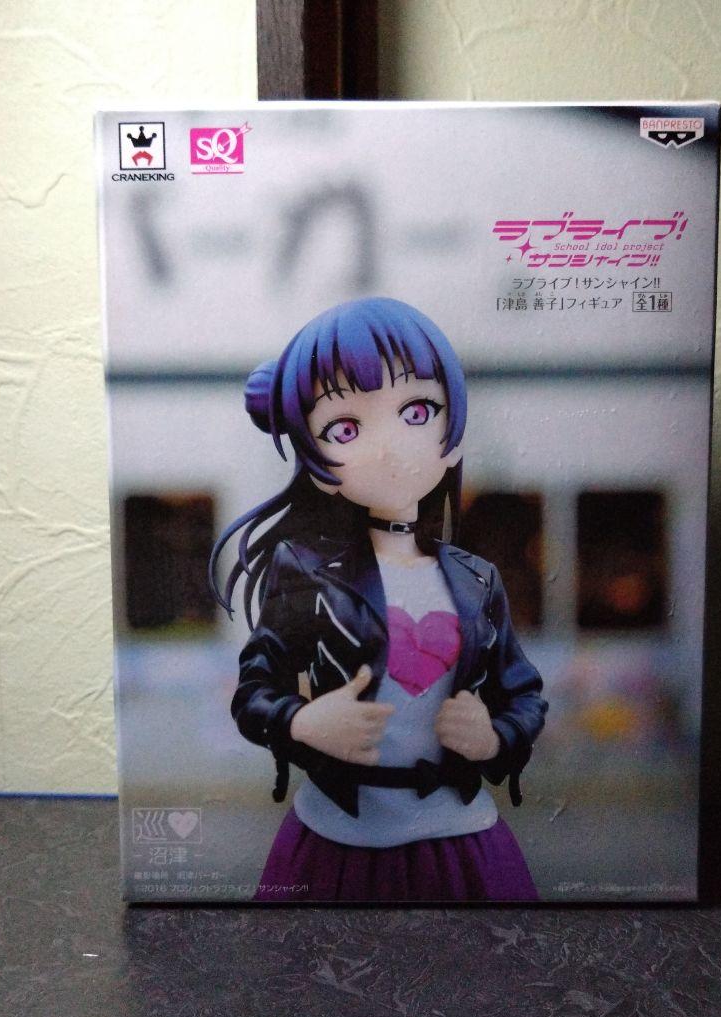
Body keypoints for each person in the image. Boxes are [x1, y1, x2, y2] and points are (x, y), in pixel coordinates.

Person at [210, 296, 546, 901]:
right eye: (345, 428)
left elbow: (522, 692)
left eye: (418, 411)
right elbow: (254, 691)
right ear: (316, 461)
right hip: (337, 834)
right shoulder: (308, 573)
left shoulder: (476, 579)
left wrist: (494, 737)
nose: (389, 447)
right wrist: (303, 721)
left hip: (462, 832)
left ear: (453, 435)